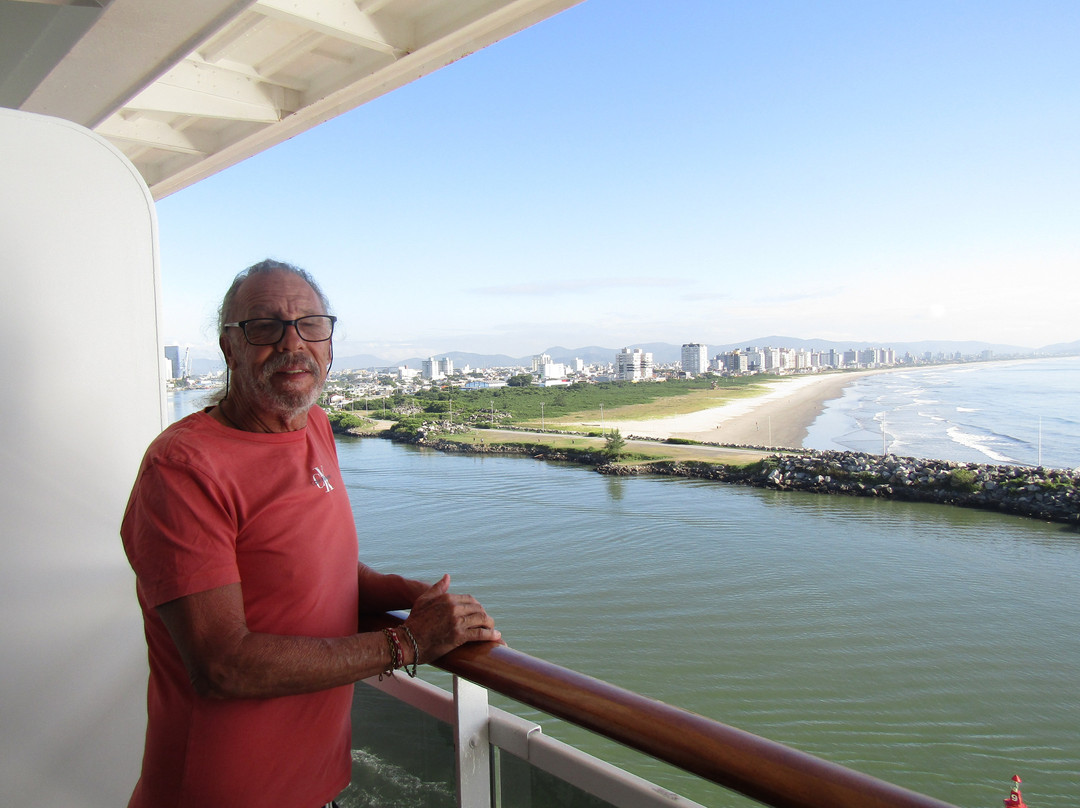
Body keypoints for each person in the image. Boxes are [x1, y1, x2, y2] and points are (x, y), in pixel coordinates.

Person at [121, 259, 501, 808]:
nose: (291, 342)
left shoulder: (314, 426)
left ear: (329, 342)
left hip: (316, 782)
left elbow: (311, 569)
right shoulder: (184, 468)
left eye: (310, 324)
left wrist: (409, 595)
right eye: (264, 326)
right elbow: (221, 664)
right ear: (229, 348)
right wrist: (409, 641)